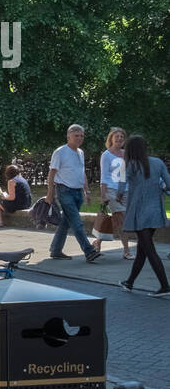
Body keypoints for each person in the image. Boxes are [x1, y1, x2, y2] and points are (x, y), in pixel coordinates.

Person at [120, 136, 170, 296]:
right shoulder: (158, 162)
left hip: (140, 212)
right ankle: (129, 282)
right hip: (156, 211)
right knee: (142, 249)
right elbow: (168, 184)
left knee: (149, 250)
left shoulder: (128, 164)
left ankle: (165, 286)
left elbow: (121, 186)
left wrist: (118, 196)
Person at [45, 124, 98, 262]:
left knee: (66, 222)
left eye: (81, 136)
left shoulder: (80, 152)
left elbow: (82, 172)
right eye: (76, 136)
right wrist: (50, 193)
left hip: (77, 192)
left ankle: (55, 250)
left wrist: (86, 190)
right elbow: (52, 173)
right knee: (76, 222)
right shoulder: (60, 152)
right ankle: (89, 251)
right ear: (68, 137)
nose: (79, 138)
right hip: (64, 190)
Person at [99, 127, 132, 259]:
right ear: (111, 139)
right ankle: (126, 250)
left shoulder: (126, 154)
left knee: (117, 221)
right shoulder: (106, 155)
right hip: (111, 190)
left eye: (121, 137)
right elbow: (104, 175)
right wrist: (103, 194)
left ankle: (98, 241)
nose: (119, 139)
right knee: (122, 218)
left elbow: (127, 174)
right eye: (116, 136)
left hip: (125, 190)